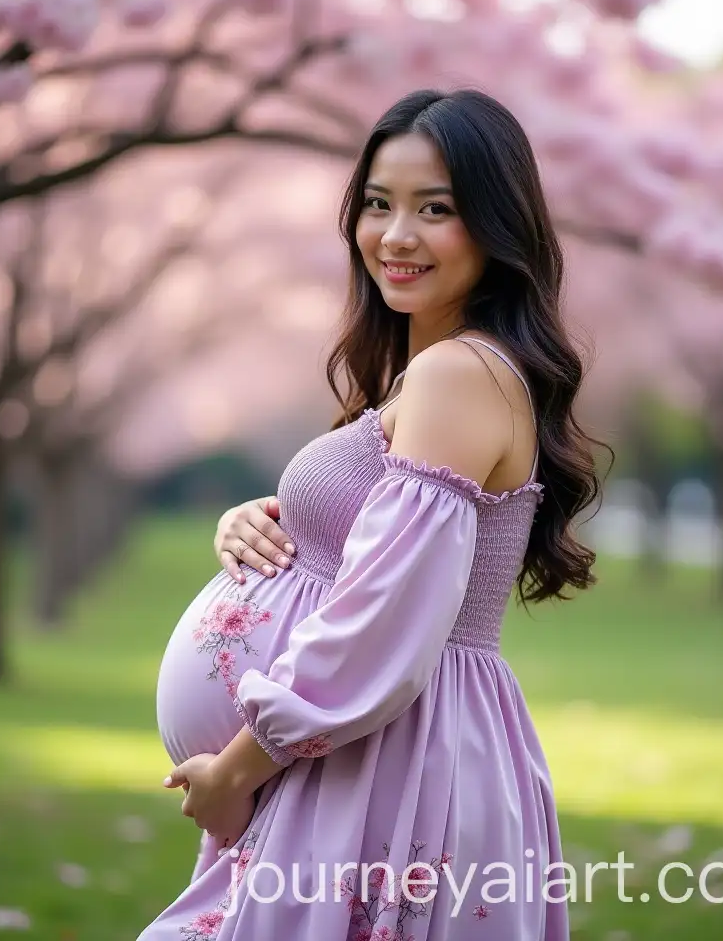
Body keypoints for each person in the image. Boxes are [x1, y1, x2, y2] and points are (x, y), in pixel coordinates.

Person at [139, 88, 601, 941]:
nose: (396, 235)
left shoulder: (460, 373)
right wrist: (260, 526)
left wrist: (238, 770)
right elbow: (370, 547)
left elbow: (387, 614)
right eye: (379, 205)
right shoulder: (432, 370)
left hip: (386, 760)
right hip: (357, 755)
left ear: (499, 228)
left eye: (437, 210)